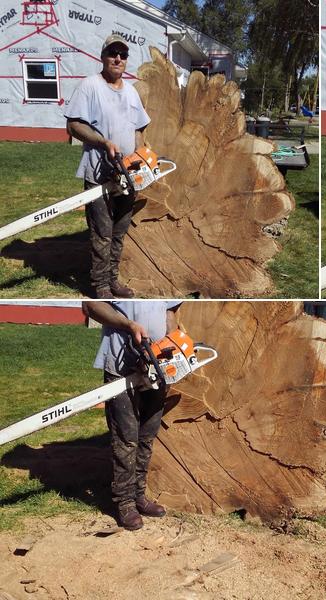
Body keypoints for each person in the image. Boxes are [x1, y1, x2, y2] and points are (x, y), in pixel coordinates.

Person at [82, 301, 181, 530]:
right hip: (121, 364)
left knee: (147, 435)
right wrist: (128, 325)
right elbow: (92, 306)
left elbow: (169, 310)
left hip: (157, 366)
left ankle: (138, 495)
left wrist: (173, 341)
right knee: (126, 438)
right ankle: (124, 502)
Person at [65, 35, 150, 299]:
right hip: (99, 172)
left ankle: (113, 280)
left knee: (119, 231)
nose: (118, 59)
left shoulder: (131, 91)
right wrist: (103, 142)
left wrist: (139, 158)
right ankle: (100, 286)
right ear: (103, 56)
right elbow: (74, 126)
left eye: (123, 55)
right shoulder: (89, 86)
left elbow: (140, 127)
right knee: (101, 231)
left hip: (127, 175)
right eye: (113, 53)